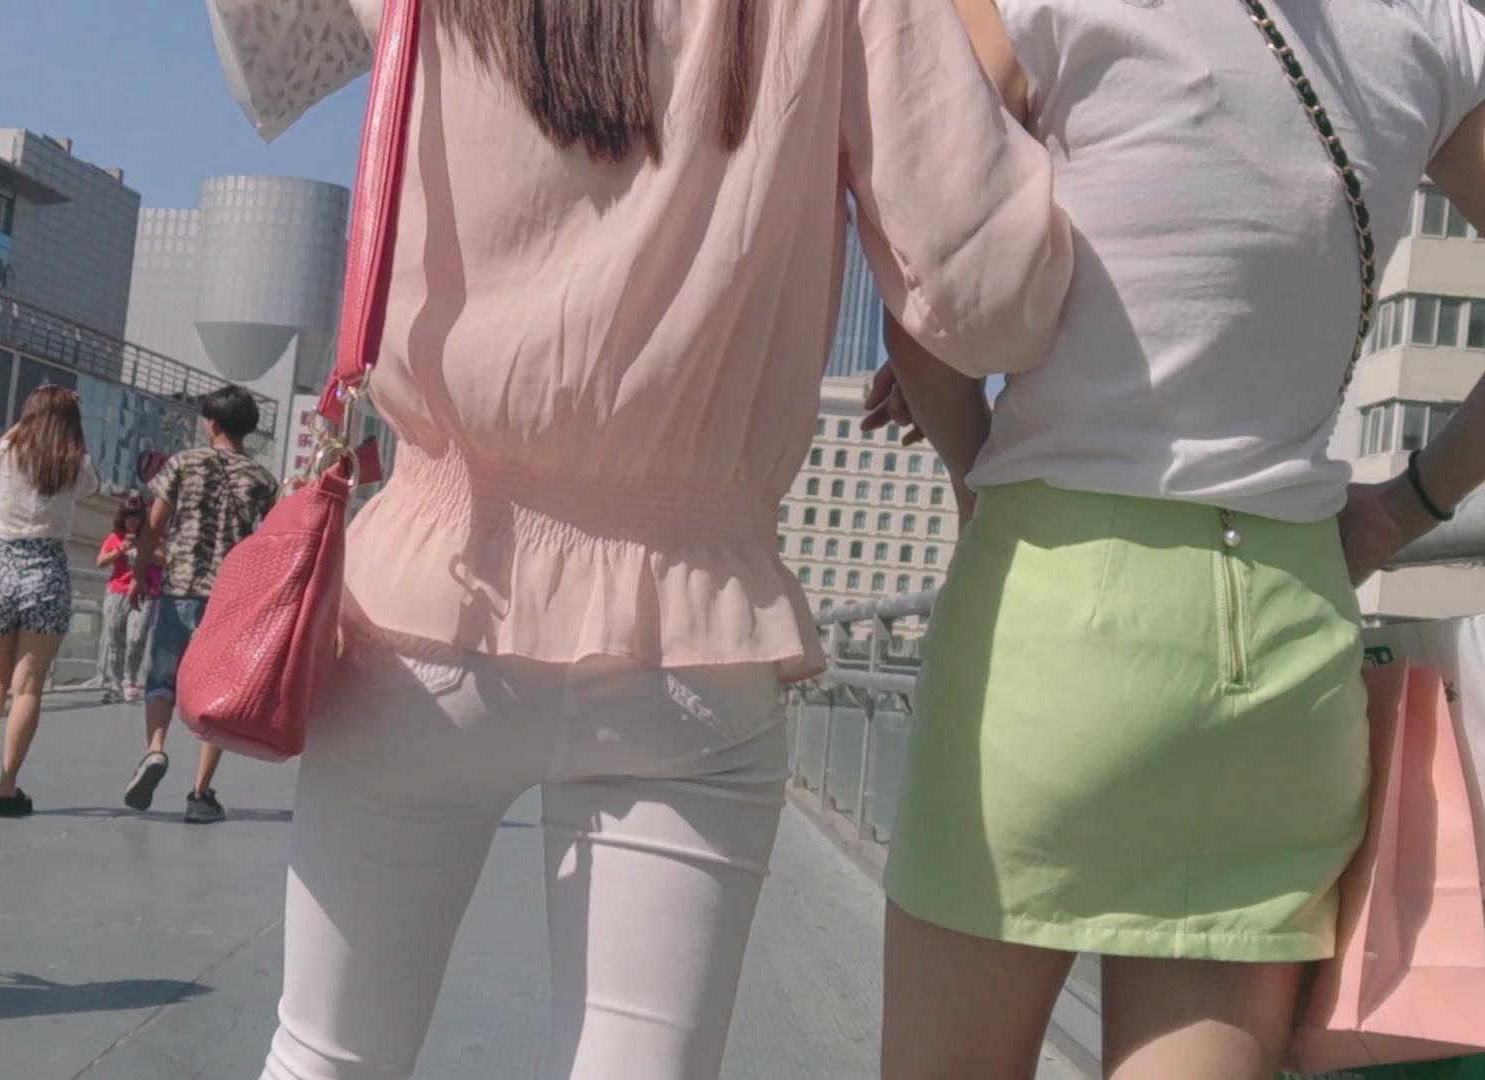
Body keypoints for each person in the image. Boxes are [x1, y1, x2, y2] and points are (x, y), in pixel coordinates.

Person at [204, 1, 1074, 1076]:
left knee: (326, 1055)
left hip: (425, 598)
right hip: (696, 633)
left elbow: (264, 59)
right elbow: (994, 299)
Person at [859, 2, 1485, 1077]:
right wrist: (1408, 504)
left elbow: (923, 264)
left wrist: (977, 480)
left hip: (1047, 622)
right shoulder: (1431, 32)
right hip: (1288, 648)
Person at [126, 384, 276, 825]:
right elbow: (269, 543)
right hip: (230, 599)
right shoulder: (262, 479)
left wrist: (139, 573)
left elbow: (154, 526)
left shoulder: (182, 463)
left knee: (161, 680)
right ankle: (200, 792)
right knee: (216, 694)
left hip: (180, 588)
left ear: (211, 424)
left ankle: (155, 750)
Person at [0, 385, 99, 818]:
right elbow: (94, 487)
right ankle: (7, 788)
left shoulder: (7, 453)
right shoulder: (76, 464)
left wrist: (23, 425)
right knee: (27, 687)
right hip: (46, 571)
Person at [96, 494, 160, 703]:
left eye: (136, 516)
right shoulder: (115, 537)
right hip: (117, 592)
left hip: (143, 593)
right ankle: (114, 684)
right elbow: (100, 562)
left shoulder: (150, 537)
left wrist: (144, 550)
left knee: (136, 637)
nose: (132, 521)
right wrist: (120, 549)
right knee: (115, 637)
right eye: (128, 516)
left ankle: (130, 679)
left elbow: (164, 559)